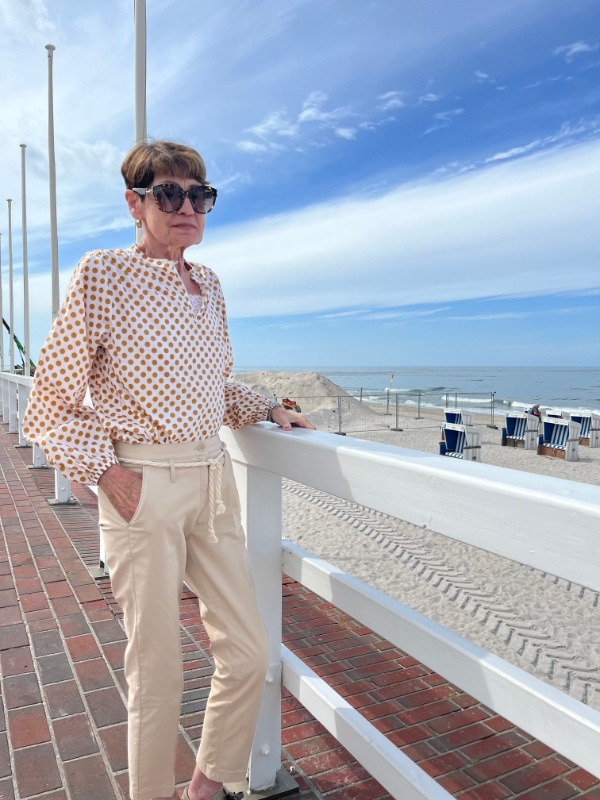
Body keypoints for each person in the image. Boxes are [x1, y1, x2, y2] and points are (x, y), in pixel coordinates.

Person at [23, 139, 315, 800]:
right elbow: (51, 400)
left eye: (199, 195)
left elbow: (213, 387)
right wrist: (109, 477)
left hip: (214, 481)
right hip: (142, 484)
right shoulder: (104, 274)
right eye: (169, 193)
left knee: (248, 651)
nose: (187, 206)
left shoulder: (210, 286)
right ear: (136, 204)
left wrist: (271, 407)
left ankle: (205, 787)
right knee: (156, 670)